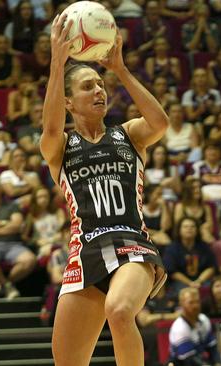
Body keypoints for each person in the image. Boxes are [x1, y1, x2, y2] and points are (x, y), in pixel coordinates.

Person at [41, 15, 168, 366]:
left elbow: (160, 122)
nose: (98, 91)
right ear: (68, 103)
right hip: (85, 251)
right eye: (87, 87)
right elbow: (49, 128)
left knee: (120, 309)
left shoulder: (128, 134)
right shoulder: (61, 147)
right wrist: (57, 62)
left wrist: (121, 70)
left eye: (100, 84)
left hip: (131, 241)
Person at [169, 287, 221, 366]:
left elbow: (212, 347)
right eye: (191, 302)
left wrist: (218, 363)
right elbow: (189, 360)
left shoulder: (204, 320)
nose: (195, 306)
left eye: (197, 302)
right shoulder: (179, 327)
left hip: (201, 360)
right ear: (181, 304)